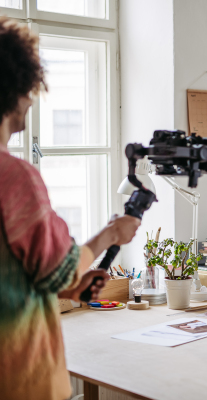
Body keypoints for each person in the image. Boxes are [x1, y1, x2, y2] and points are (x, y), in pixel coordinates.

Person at [0, 17, 141, 399]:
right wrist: (111, 234)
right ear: (13, 89)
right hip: (22, 378)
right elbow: (58, 272)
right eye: (30, 88)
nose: (32, 98)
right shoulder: (15, 178)